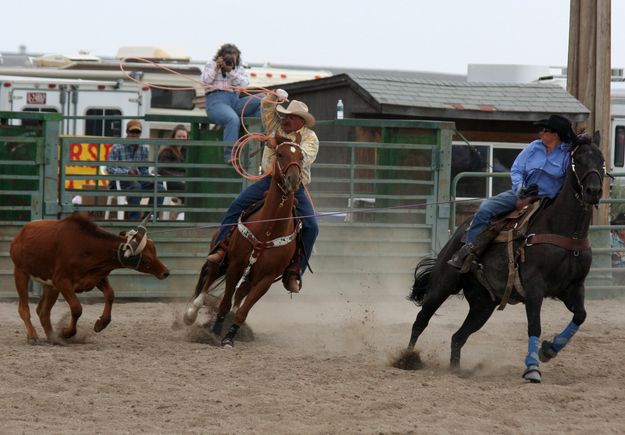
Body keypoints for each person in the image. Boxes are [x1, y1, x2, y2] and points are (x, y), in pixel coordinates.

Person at [205, 90, 319, 293]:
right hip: (269, 181)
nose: (285, 119)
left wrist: (279, 143)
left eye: (290, 117)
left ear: (300, 121)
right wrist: (274, 97)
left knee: (311, 227)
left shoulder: (310, 138)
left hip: (295, 186)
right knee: (237, 204)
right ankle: (222, 248)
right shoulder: (275, 126)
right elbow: (266, 108)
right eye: (285, 115)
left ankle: (294, 270)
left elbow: (303, 157)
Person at [448, 114, 576, 272]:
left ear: (555, 134)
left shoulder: (566, 155)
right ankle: (468, 249)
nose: (541, 133)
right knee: (486, 208)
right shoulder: (534, 147)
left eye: (544, 130)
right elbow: (517, 169)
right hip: (522, 194)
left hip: (549, 201)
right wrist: (521, 188)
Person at [201, 43, 262, 163]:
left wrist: (230, 71)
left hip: (235, 101)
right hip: (216, 101)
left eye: (232, 59)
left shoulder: (238, 69)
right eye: (227, 58)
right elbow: (204, 82)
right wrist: (216, 68)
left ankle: (255, 142)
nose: (229, 61)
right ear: (220, 57)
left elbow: (244, 85)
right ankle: (230, 155)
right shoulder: (211, 65)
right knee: (232, 119)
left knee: (262, 100)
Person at [107, 119, 161, 220]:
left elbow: (144, 170)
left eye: (137, 132)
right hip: (119, 181)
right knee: (136, 186)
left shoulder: (144, 148)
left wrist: (148, 177)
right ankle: (134, 221)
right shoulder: (117, 147)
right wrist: (127, 172)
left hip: (138, 180)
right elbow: (110, 169)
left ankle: (149, 219)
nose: (135, 135)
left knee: (159, 187)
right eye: (132, 132)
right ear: (127, 132)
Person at [158, 124, 188, 192]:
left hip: (184, 179)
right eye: (179, 136)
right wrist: (178, 179)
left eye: (184, 137)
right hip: (169, 180)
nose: (181, 139)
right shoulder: (167, 151)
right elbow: (161, 170)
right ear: (173, 137)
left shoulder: (186, 151)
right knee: (188, 188)